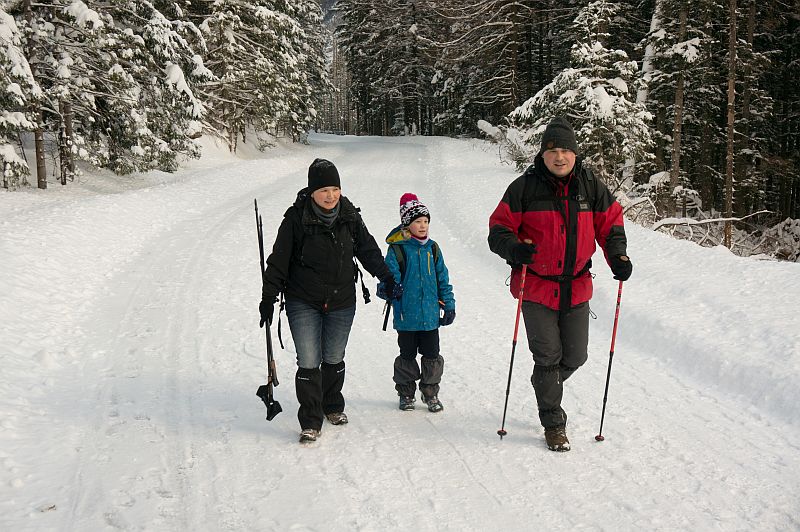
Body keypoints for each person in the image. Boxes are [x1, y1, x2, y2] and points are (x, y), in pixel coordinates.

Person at [487, 117, 632, 452]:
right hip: (536, 287)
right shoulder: (524, 188)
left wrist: (619, 258)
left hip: (577, 286)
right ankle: (553, 421)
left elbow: (610, 224)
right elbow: (498, 230)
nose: (560, 156)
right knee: (549, 356)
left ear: (575, 154)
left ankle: (544, 382)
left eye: (566, 150)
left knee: (576, 356)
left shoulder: (590, 185)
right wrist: (515, 249)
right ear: (543, 154)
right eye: (553, 150)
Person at [260, 158, 399, 443]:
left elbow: (368, 248)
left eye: (335, 188)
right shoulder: (295, 219)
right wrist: (268, 296)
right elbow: (278, 261)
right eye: (324, 189)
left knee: (334, 357)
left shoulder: (349, 215)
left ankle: (332, 405)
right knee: (309, 360)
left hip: (342, 299)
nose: (331, 195)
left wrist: (385, 276)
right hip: (303, 300)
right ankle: (311, 419)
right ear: (312, 191)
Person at [378, 193, 456, 413]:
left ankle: (430, 393)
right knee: (407, 355)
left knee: (432, 355)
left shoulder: (433, 249)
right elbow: (385, 282)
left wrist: (448, 305)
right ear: (407, 224)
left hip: (431, 317)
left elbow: (443, 279)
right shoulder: (397, 250)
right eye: (418, 222)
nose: (423, 226)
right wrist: (390, 289)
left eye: (426, 221)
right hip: (407, 317)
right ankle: (406, 393)